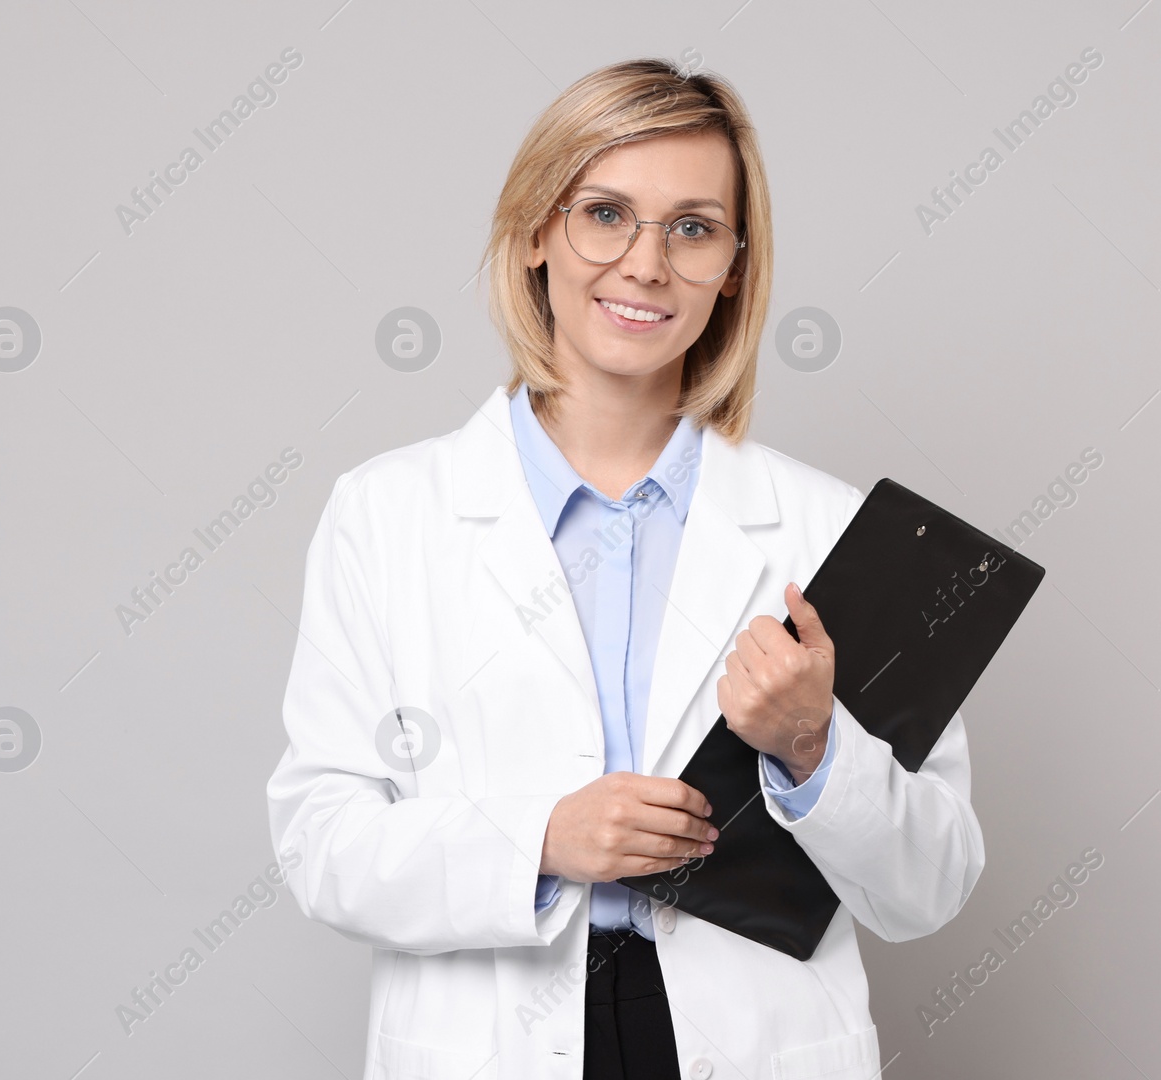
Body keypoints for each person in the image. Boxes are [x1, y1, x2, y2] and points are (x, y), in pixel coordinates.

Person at [266, 57, 985, 1080]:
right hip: (490, 1040)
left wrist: (815, 751)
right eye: (604, 214)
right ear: (533, 234)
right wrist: (542, 839)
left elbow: (930, 885)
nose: (646, 265)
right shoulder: (386, 515)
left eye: (692, 228)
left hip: (750, 1041)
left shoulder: (829, 532)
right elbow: (320, 845)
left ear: (735, 265)